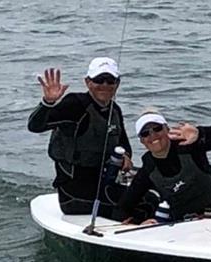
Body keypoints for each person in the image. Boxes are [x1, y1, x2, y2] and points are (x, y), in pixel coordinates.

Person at [28, 57, 133, 217]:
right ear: (88, 82)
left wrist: (125, 157)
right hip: (74, 194)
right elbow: (35, 126)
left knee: (149, 194)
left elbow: (124, 145)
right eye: (99, 80)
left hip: (103, 184)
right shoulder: (75, 104)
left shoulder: (115, 110)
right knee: (137, 204)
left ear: (117, 84)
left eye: (110, 80)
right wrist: (48, 102)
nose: (105, 85)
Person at [117, 109, 211, 224]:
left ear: (167, 129)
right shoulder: (148, 170)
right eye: (145, 133)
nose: (153, 135)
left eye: (157, 128)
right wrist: (138, 224)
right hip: (183, 227)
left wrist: (200, 133)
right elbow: (123, 207)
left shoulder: (189, 146)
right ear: (142, 141)